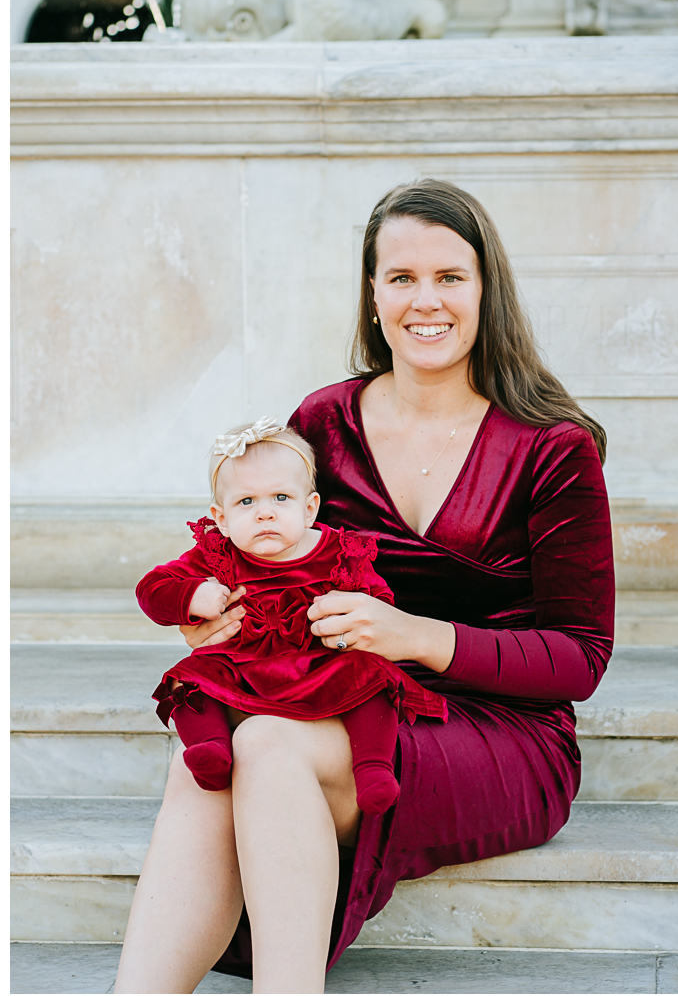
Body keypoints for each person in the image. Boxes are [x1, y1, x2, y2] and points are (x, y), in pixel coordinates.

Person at [114, 178, 614, 994]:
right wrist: (215, 616)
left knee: (264, 745)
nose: (427, 301)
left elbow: (580, 659)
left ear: (487, 289)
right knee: (213, 758)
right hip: (344, 698)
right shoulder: (324, 423)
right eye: (401, 278)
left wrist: (409, 633)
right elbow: (262, 549)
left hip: (503, 728)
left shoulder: (552, 449)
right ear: (372, 293)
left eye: (451, 277)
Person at [136, 418, 447, 812]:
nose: (265, 513)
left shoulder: (339, 552)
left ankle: (372, 767)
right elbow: (150, 590)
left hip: (321, 664)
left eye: (281, 498)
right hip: (243, 665)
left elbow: (378, 601)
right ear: (221, 518)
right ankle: (210, 749)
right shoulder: (218, 555)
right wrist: (193, 595)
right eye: (246, 502)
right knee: (190, 679)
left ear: (309, 508)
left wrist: (358, 616)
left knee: (370, 676)